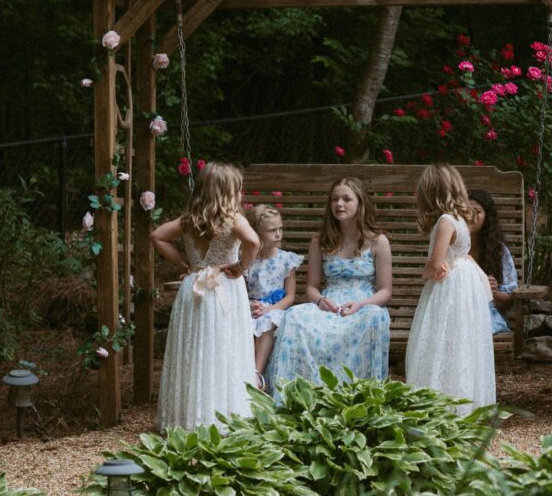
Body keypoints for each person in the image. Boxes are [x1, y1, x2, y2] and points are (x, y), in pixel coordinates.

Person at [151, 161, 259, 431]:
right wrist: (241, 267)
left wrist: (182, 263)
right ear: (228, 192)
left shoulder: (188, 220)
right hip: (225, 288)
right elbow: (254, 242)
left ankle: (188, 418)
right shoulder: (234, 219)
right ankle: (222, 416)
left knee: (193, 350)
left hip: (194, 287)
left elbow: (157, 236)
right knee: (223, 349)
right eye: (239, 189)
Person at [266, 177, 392, 396]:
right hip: (329, 304)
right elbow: (311, 288)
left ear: (360, 203)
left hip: (362, 305)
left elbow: (385, 291)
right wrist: (321, 301)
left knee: (375, 316)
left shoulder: (378, 241)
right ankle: (297, 393)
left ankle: (356, 393)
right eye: (335, 199)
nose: (339, 204)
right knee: (294, 315)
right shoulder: (320, 241)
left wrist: (361, 304)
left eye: (346, 199)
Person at [405, 163, 495, 415]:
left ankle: (440, 401)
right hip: (462, 286)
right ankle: (462, 399)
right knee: (459, 343)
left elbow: (435, 264)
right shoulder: (460, 220)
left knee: (441, 341)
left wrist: (425, 272)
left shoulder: (445, 221)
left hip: (449, 288)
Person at [244, 204, 304, 388]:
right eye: (272, 230)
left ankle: (256, 374)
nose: (278, 234)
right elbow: (240, 289)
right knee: (246, 323)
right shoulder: (246, 259)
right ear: (257, 233)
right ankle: (241, 373)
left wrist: (268, 309)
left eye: (280, 229)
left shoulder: (286, 259)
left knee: (267, 322)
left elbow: (290, 296)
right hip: (250, 307)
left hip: (275, 308)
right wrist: (249, 306)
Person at [468, 188, 519, 335]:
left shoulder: (498, 250)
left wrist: (494, 293)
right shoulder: (452, 247)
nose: (471, 216)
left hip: (486, 315)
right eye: (466, 210)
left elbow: (508, 301)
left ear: (487, 217)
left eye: (477, 211)